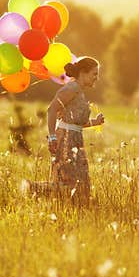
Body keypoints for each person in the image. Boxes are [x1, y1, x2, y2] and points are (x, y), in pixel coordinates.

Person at [30, 56, 104, 201]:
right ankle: (34, 189)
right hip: (65, 139)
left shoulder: (79, 91)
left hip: (76, 139)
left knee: (81, 183)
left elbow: (75, 122)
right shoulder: (72, 88)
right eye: (94, 74)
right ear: (83, 72)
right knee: (69, 181)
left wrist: (94, 122)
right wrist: (52, 137)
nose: (97, 78)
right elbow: (52, 109)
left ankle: (43, 194)